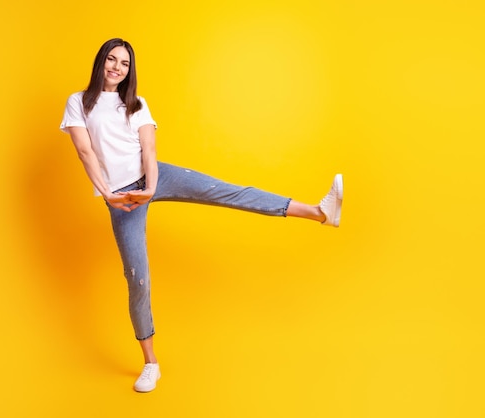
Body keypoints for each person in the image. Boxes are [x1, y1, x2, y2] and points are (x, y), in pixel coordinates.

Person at [60, 38, 343, 393]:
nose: (117, 67)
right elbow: (85, 152)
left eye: (125, 63)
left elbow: (149, 147)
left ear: (130, 71)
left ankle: (319, 211)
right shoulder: (78, 103)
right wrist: (109, 195)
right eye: (112, 60)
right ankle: (151, 364)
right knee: (138, 279)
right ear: (101, 61)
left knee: (227, 191)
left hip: (153, 177)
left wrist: (151, 186)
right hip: (120, 197)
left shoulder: (135, 104)